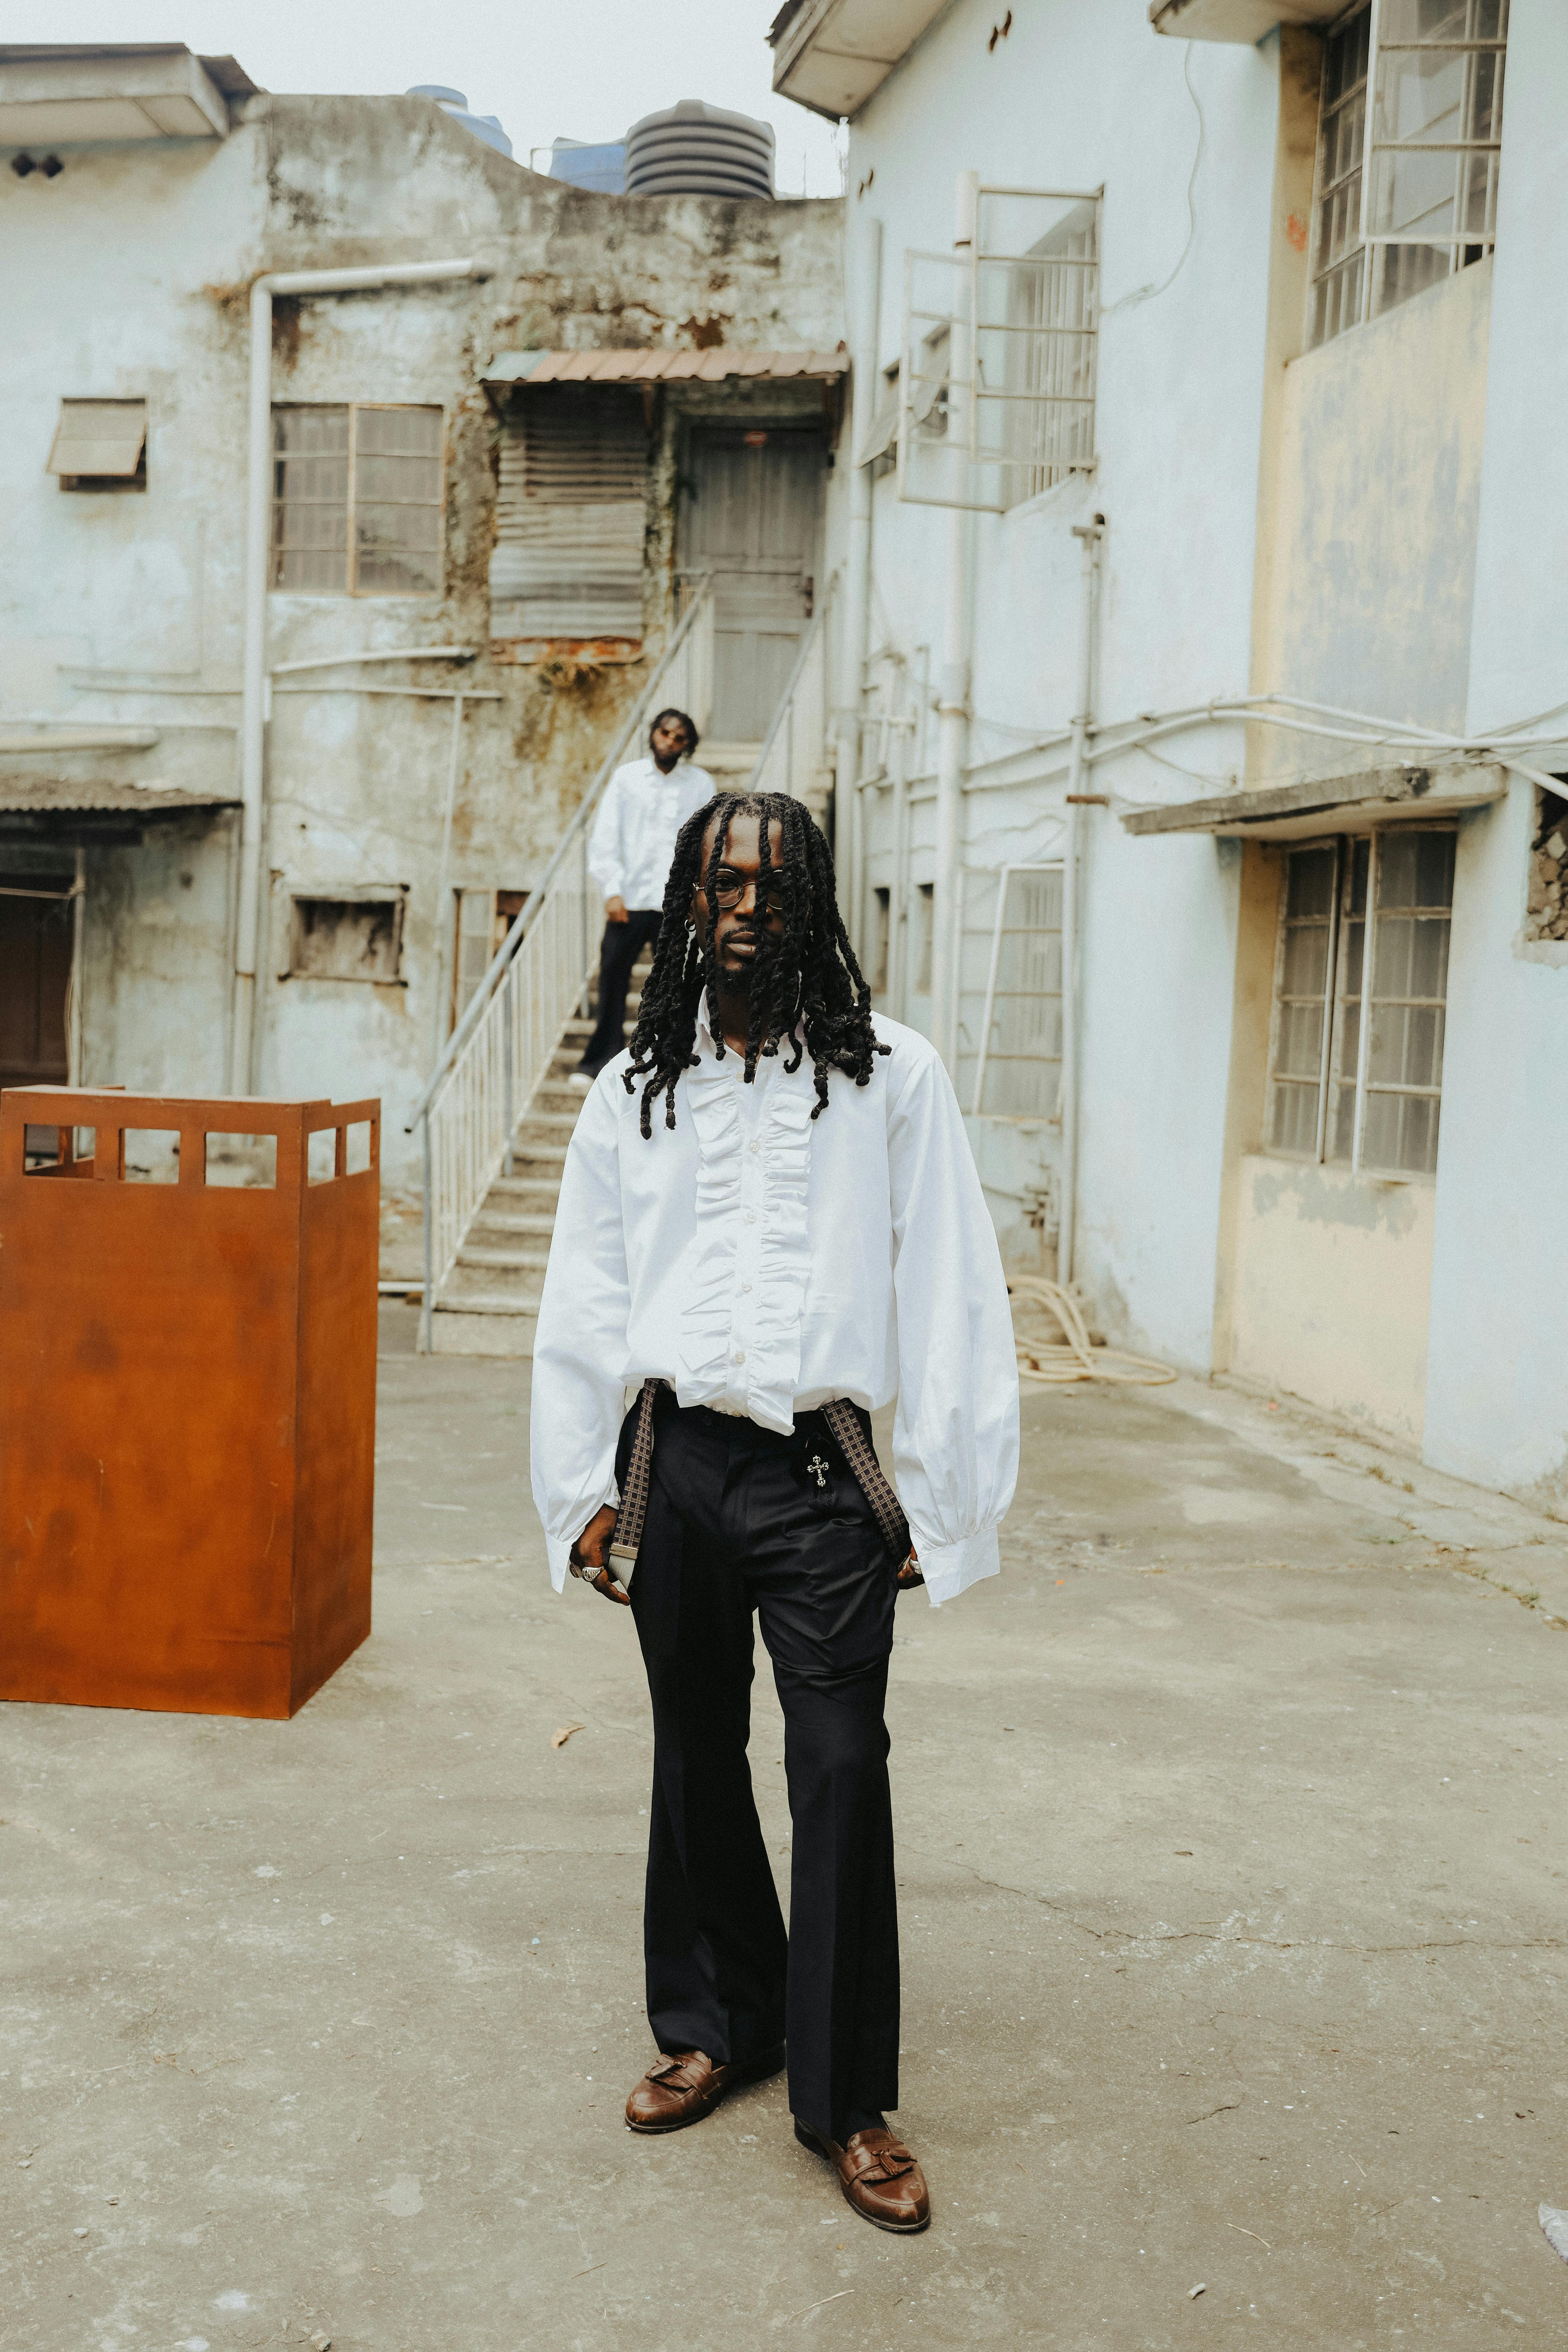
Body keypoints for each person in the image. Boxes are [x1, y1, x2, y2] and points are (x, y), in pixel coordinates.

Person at [530, 791, 1018, 2235]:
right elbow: (587, 1295)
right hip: (676, 1465)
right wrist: (581, 1492)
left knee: (838, 1765)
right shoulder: (633, 1088)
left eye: (776, 887)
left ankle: (847, 2100)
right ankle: (716, 2025)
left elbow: (946, 1286)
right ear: (686, 903)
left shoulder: (891, 1077)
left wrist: (938, 1491)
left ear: (814, 906)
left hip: (819, 1479)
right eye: (724, 886)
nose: (749, 911)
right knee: (693, 1762)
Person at [570, 708, 713, 1087]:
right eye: (664, 733)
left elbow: (706, 843)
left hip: (676, 906)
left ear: (687, 745)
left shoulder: (700, 784)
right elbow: (606, 836)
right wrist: (612, 891)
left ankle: (670, 1058)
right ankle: (600, 1062)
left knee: (676, 986)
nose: (669, 741)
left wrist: (694, 896)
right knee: (613, 980)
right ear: (653, 734)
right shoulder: (627, 778)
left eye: (679, 737)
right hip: (630, 901)